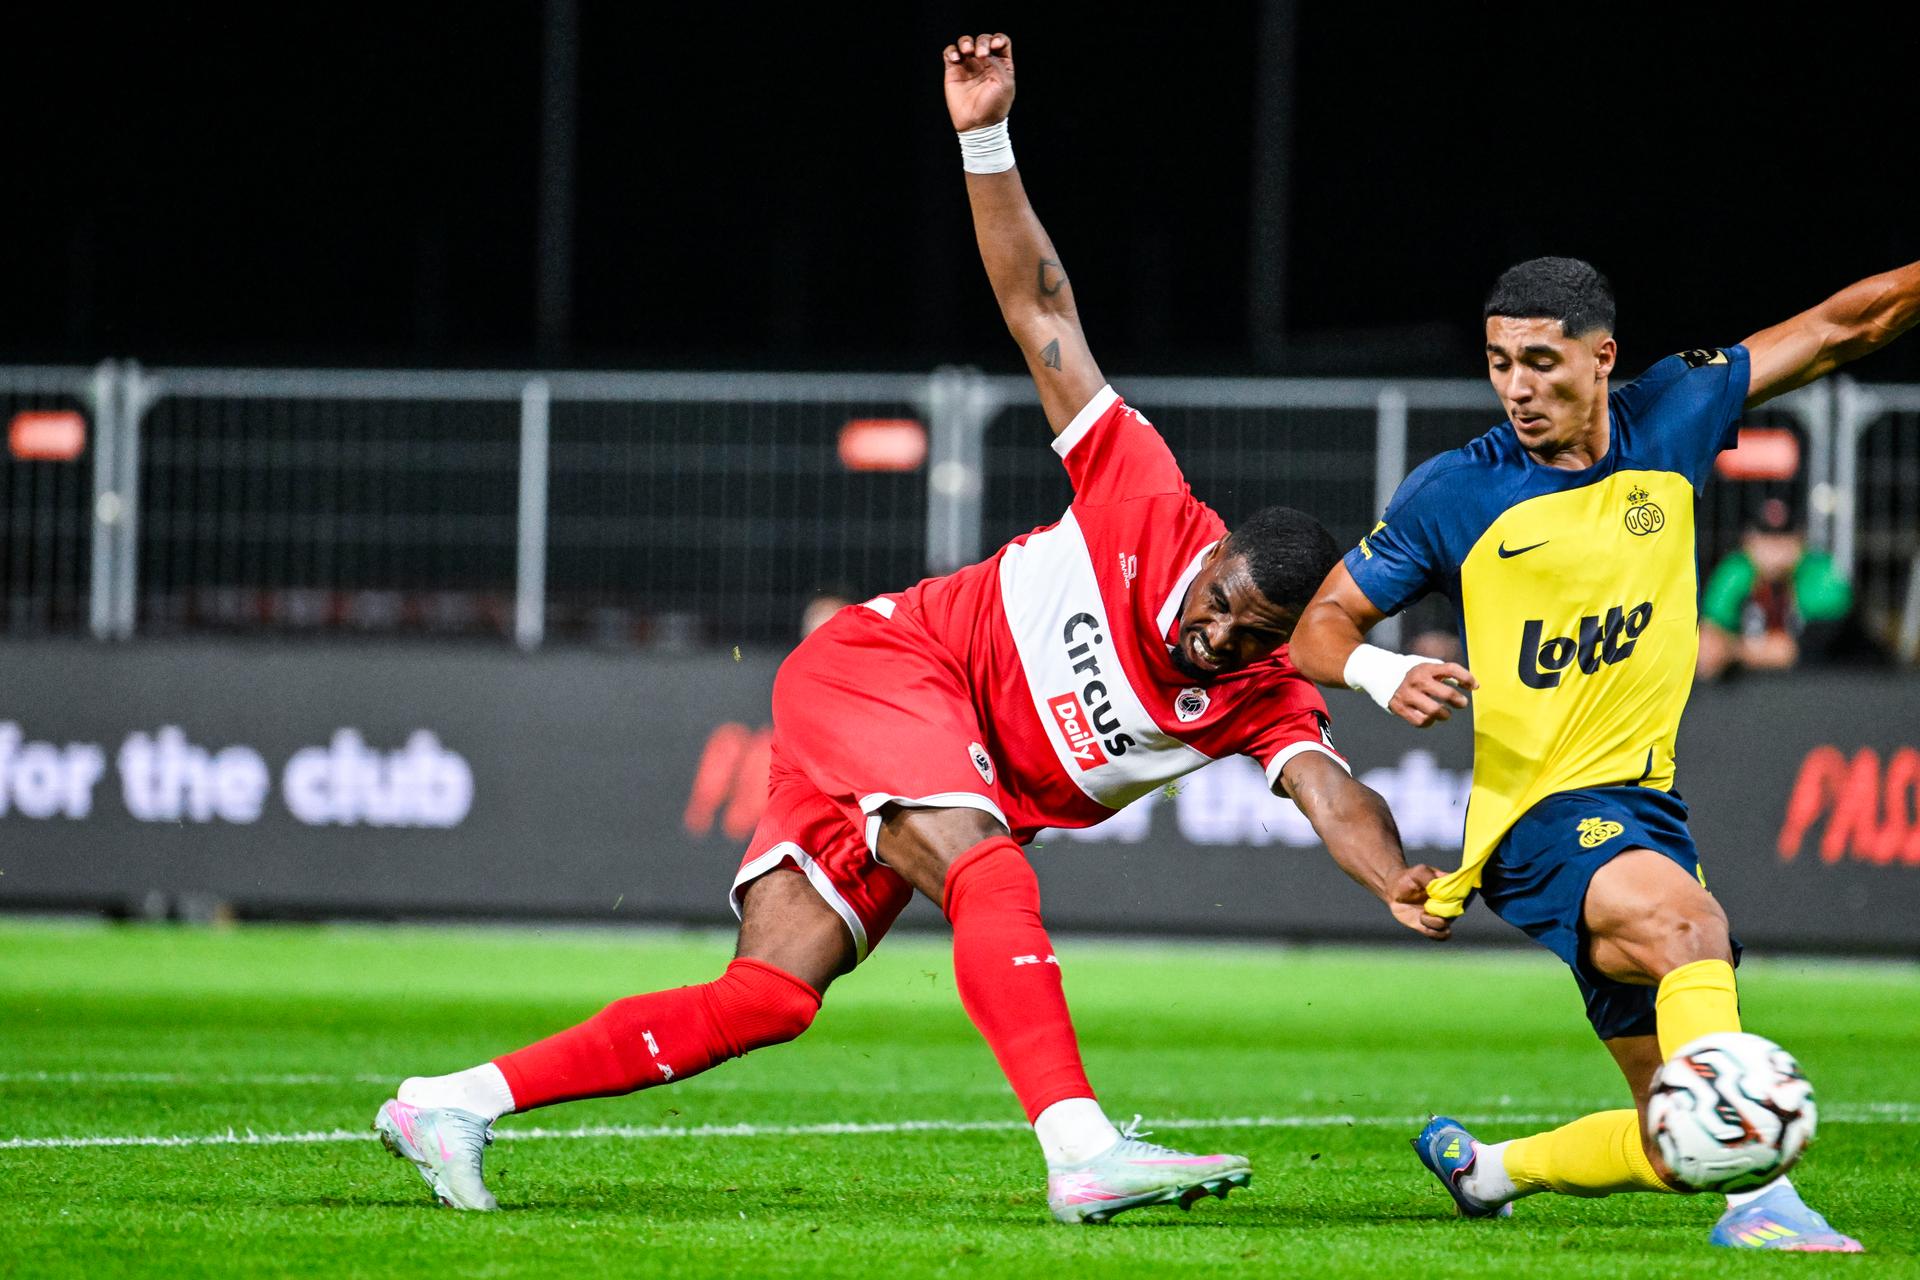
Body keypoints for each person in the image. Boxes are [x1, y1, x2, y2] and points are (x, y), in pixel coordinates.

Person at [373, 31, 1441, 1226]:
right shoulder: (1140, 492)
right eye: (1215, 602)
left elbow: (1331, 792)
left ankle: (449, 1100)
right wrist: (984, 136)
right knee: (984, 861)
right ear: (1214, 548)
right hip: (884, 672)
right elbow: (1042, 305)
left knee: (769, 995)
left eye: (1248, 636)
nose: (1212, 637)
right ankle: (1080, 1145)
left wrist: (1395, 874)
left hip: (926, 755)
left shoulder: (1269, 694)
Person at [1291, 253, 1920, 1250]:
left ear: (1602, 357)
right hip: (1537, 822)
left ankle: (1488, 1170)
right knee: (1687, 925)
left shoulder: (1675, 410)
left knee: (1678, 1137)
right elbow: (1319, 622)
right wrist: (1376, 672)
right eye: (1500, 362)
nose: (1517, 387)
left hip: (1646, 808)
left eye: (1541, 361)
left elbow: (1850, 323)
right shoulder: (1456, 491)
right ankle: (1764, 1204)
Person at [1697, 496, 1853, 680]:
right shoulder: (1736, 570)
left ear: (1799, 539)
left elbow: (1804, 648)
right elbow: (1709, 640)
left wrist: (1734, 650)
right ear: (1748, 540)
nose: (1774, 548)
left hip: (1833, 684)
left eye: (1783, 537)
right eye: (1766, 537)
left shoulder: (1818, 570)